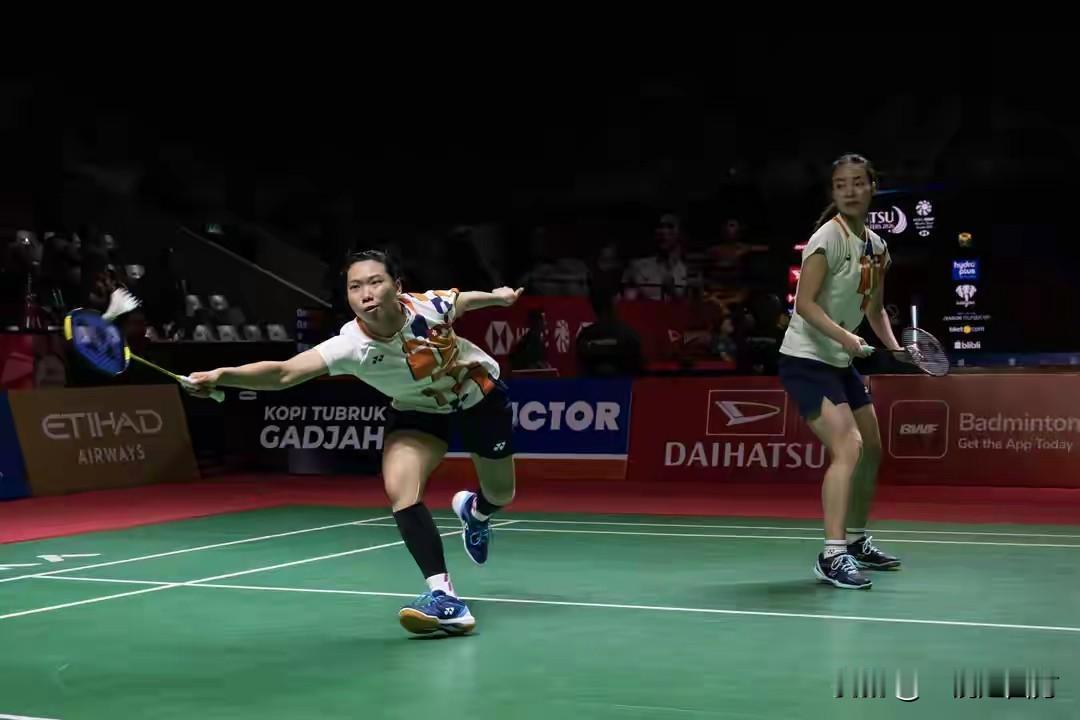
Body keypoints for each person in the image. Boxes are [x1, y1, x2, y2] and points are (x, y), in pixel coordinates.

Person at [186, 249, 522, 634]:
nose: (365, 293)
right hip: (417, 409)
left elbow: (463, 301)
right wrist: (222, 375)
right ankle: (444, 597)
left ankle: (476, 512)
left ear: (397, 287)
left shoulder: (429, 307)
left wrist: (498, 297)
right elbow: (284, 373)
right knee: (401, 489)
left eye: (375, 282)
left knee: (501, 493)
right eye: (355, 287)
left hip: (478, 394)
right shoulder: (351, 346)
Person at [778, 153, 903, 590]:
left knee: (872, 448)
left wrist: (895, 348)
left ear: (872, 187)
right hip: (805, 359)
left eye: (857, 182)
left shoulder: (878, 247)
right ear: (833, 191)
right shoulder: (827, 238)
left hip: (838, 361)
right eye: (841, 184)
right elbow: (804, 304)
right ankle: (831, 555)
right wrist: (847, 338)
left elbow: (875, 308)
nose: (850, 191)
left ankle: (855, 540)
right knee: (848, 446)